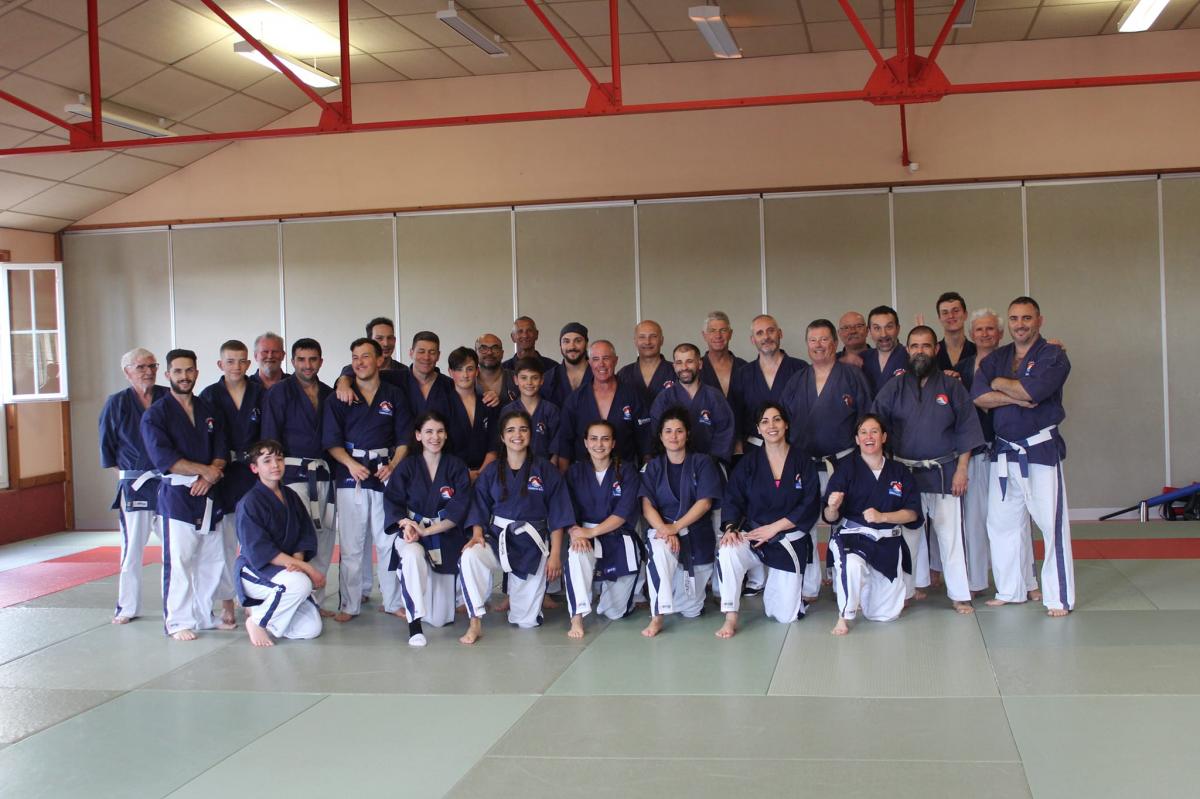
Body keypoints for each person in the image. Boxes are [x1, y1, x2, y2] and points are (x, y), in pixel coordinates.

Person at [972, 296, 1074, 616]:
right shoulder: (997, 357)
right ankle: (1011, 589)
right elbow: (979, 396)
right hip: (1003, 451)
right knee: (1001, 524)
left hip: (1039, 450)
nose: (1020, 325)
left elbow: (1034, 392)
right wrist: (1014, 395)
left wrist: (1000, 384)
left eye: (1027, 318)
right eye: (1014, 318)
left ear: (1039, 321)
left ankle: (1058, 598)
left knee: (1051, 526)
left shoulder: (1053, 355)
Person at [872, 326, 984, 614]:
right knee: (908, 536)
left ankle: (959, 594)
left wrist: (962, 469)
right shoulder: (894, 387)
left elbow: (967, 429)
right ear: (907, 350)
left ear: (936, 349)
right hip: (904, 474)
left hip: (944, 473)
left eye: (925, 346)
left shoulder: (952, 387)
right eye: (914, 346)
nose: (920, 351)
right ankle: (907, 590)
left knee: (950, 536)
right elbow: (875, 427)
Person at [139, 348, 232, 641]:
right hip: (178, 495)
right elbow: (164, 459)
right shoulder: (156, 414)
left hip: (210, 493)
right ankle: (177, 621)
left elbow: (222, 450)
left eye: (189, 370)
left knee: (212, 559)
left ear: (196, 372)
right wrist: (204, 472)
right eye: (178, 371)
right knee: (179, 561)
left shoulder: (208, 409)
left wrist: (210, 474)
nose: (184, 376)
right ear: (168, 375)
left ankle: (204, 615)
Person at [458, 410, 573, 643]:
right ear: (502, 437)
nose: (517, 435)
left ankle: (522, 599)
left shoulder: (545, 470)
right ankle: (475, 622)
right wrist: (477, 533)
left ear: (530, 434)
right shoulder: (492, 470)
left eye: (523, 429)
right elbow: (479, 505)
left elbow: (558, 514)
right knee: (470, 556)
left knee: (525, 622)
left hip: (532, 544)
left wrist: (555, 555)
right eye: (510, 430)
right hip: (496, 539)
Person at [779, 319, 871, 600]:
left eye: (824, 339)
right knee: (805, 522)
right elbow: (783, 424)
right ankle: (810, 585)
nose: (818, 345)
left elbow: (866, 420)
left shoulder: (852, 376)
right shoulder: (797, 380)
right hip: (805, 463)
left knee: (844, 521)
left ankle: (845, 581)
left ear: (835, 342)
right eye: (813, 340)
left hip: (843, 461)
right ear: (807, 344)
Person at [322, 338, 411, 622]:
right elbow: (331, 441)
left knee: (387, 542)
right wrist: (350, 464)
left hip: (385, 473)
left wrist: (394, 465)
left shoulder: (394, 394)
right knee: (351, 545)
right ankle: (349, 605)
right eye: (355, 357)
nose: (360, 362)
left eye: (366, 356)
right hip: (352, 476)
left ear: (380, 360)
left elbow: (405, 438)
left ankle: (392, 601)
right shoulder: (340, 397)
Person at [715, 402, 820, 638]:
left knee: (783, 616)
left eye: (776, 419)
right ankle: (730, 616)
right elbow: (733, 498)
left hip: (787, 538)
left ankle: (785, 590)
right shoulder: (749, 463)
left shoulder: (803, 461)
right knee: (728, 550)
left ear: (786, 424)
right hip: (755, 535)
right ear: (758, 429)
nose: (771, 426)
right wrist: (730, 527)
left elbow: (810, 503)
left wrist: (774, 528)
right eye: (764, 421)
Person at [823, 414, 923, 635]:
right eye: (863, 432)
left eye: (874, 432)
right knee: (852, 564)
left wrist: (882, 517)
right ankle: (844, 616)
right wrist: (832, 507)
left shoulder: (899, 471)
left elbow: (912, 514)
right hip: (853, 538)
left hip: (887, 542)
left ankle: (866, 585)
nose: (869, 437)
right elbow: (829, 517)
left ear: (884, 437)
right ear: (857, 439)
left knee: (886, 615)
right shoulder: (846, 470)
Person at [260, 337, 337, 614]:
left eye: (313, 359)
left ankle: (317, 601)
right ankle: (297, 600)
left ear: (321, 361)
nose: (307, 365)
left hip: (325, 474)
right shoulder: (279, 393)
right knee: (299, 539)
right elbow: (270, 437)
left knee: (325, 539)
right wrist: (273, 478)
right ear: (292, 361)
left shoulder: (329, 393)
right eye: (301, 359)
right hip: (292, 474)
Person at [383, 412, 472, 646]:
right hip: (412, 533)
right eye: (429, 431)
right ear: (418, 435)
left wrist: (428, 531)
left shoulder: (456, 466)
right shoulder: (407, 467)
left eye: (440, 431)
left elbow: (459, 509)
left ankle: (428, 599)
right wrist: (406, 525)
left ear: (446, 435)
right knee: (412, 555)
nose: (435, 437)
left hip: (444, 535)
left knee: (440, 620)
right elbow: (393, 502)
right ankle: (414, 625)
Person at [638, 407, 724, 637]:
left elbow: (705, 503)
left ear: (687, 434)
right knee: (659, 549)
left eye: (679, 431)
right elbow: (646, 505)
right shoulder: (654, 467)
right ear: (660, 436)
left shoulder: (703, 462)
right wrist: (665, 530)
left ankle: (679, 598)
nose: (673, 436)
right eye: (668, 431)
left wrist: (676, 527)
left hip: (696, 536)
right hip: (662, 532)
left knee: (690, 610)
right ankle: (657, 616)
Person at [99, 347, 168, 623]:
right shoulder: (116, 403)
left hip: (167, 482)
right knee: (132, 551)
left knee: (178, 549)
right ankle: (127, 607)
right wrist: (132, 474)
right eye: (141, 367)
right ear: (127, 372)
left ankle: (178, 607)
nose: (148, 371)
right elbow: (108, 447)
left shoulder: (168, 397)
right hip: (135, 484)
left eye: (152, 366)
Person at [200, 340, 264, 628]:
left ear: (249, 363)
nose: (236, 366)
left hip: (253, 472)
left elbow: (269, 432)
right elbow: (205, 437)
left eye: (241, 361)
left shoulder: (259, 393)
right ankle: (227, 600)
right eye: (230, 361)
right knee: (225, 543)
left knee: (254, 538)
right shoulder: (209, 396)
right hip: (224, 474)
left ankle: (251, 598)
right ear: (220, 364)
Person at [234, 439, 324, 646]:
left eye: (279, 459)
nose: (275, 465)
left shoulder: (291, 496)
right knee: (301, 583)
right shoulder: (249, 502)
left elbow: (303, 535)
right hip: (256, 570)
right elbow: (261, 550)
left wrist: (297, 562)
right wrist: (305, 568)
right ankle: (257, 622)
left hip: (285, 570)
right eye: (267, 461)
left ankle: (261, 608)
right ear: (254, 468)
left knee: (311, 629)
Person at [563, 420, 643, 638]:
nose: (599, 444)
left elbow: (623, 513)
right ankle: (577, 617)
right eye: (594, 439)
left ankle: (604, 594)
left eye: (605, 439)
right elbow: (566, 508)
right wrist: (575, 532)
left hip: (618, 536)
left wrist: (590, 532)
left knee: (614, 612)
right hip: (583, 535)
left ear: (613, 443)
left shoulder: (627, 471)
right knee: (577, 554)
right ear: (585, 443)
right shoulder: (575, 472)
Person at [558, 340, 648, 466]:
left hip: (624, 471)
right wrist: (564, 475)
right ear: (589, 362)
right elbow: (564, 443)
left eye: (606, 358)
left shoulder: (632, 396)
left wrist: (646, 472)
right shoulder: (575, 399)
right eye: (595, 359)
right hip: (584, 472)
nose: (601, 364)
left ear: (615, 360)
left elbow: (645, 441)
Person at [730, 314, 807, 452]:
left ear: (780, 333)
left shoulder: (800, 369)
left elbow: (808, 413)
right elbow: (735, 416)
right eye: (759, 333)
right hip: (754, 451)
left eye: (770, 330)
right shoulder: (742, 375)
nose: (766, 337)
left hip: (794, 450)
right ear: (753, 340)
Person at [649, 343, 735, 465]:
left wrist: (711, 461)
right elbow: (656, 434)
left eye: (689, 361)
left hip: (710, 463)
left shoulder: (714, 397)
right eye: (679, 362)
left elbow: (725, 431)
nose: (684, 367)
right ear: (674, 366)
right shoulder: (664, 398)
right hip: (673, 463)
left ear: (699, 364)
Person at [445, 346, 500, 480]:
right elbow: (439, 446)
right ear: (450, 372)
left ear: (477, 371)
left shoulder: (488, 403)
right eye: (459, 369)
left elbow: (494, 446)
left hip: (487, 474)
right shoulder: (443, 404)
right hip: (452, 475)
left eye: (469, 369)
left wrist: (480, 474)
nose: (465, 375)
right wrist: (464, 476)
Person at [501, 357, 561, 464]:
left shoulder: (551, 410)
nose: (529, 382)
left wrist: (550, 470)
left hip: (544, 468)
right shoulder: (508, 411)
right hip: (515, 467)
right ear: (516, 380)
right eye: (524, 378)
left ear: (542, 380)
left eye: (535, 378)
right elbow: (503, 446)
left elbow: (556, 449)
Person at [617, 320, 675, 410]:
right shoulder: (624, 373)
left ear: (661, 340)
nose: (647, 342)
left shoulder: (675, 371)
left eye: (653, 336)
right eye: (642, 337)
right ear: (635, 341)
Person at [541, 322, 591, 407]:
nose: (572, 347)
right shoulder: (549, 379)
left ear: (586, 344)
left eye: (578, 341)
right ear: (560, 345)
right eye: (566, 341)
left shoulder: (598, 375)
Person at [863, 306, 908, 396]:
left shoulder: (910, 356)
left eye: (889, 327)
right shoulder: (861, 359)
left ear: (898, 329)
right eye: (877, 328)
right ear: (869, 331)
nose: (883, 334)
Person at [699, 311, 746, 398]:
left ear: (730, 334)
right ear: (704, 335)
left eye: (723, 330)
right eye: (712, 331)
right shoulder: (696, 369)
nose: (718, 336)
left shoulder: (744, 367)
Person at [934, 292, 976, 375]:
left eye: (956, 311)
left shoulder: (977, 351)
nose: (951, 316)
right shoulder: (932, 353)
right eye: (945, 313)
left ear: (965, 314)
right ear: (939, 318)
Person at [475, 333, 518, 405]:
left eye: (495, 348)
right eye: (483, 348)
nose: (489, 352)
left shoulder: (516, 379)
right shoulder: (467, 381)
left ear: (502, 353)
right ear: (476, 353)